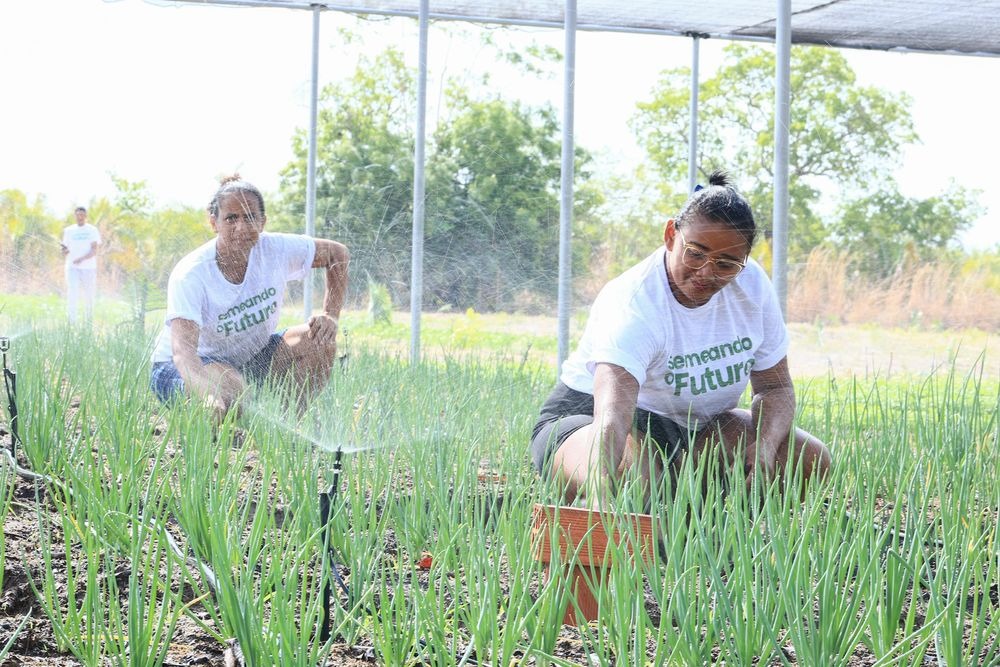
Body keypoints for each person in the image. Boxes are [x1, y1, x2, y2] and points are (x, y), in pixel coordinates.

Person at [531, 170, 831, 506]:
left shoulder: (754, 288)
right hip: (594, 424)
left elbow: (775, 387)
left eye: (727, 264)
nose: (707, 272)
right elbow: (612, 415)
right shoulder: (634, 304)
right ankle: (612, 508)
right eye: (696, 253)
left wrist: (764, 446)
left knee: (808, 459)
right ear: (671, 235)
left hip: (696, 431)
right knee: (639, 481)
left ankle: (707, 532)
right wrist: (602, 487)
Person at [149, 176, 349, 420]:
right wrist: (207, 396)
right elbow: (183, 354)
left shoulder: (275, 249)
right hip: (184, 367)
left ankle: (285, 425)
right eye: (231, 218)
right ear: (214, 222)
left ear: (262, 222)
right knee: (229, 394)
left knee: (320, 340)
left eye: (250, 217)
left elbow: (338, 254)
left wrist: (330, 315)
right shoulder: (192, 274)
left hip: (248, 358)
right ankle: (213, 428)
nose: (241, 227)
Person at [61, 206, 101, 324]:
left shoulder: (92, 230)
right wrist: (64, 251)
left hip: (89, 268)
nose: (80, 217)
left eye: (82, 215)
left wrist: (81, 259)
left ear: (86, 216)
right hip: (72, 267)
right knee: (72, 292)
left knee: (89, 294)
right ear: (75, 216)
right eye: (78, 215)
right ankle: (71, 322)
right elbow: (64, 249)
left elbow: (94, 250)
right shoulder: (68, 231)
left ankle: (88, 321)